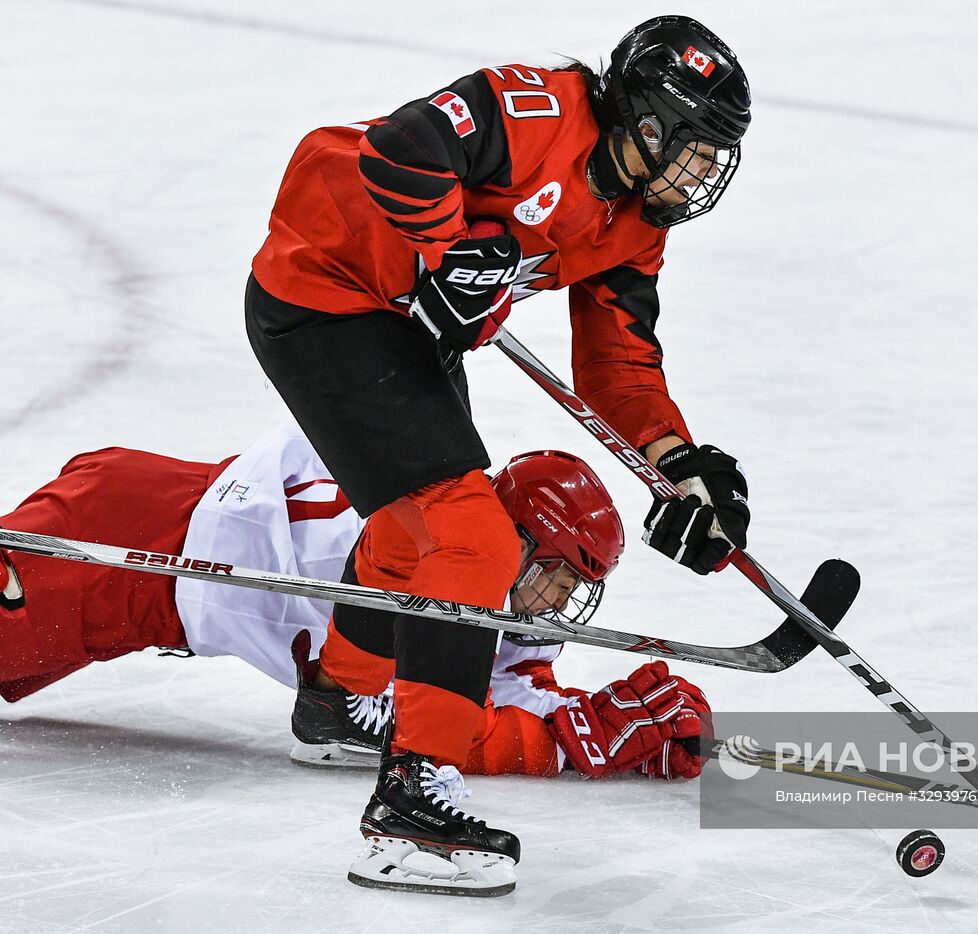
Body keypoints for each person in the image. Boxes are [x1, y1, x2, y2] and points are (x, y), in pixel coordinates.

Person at [241, 15, 751, 893]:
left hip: (406, 326)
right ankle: (411, 805)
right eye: (697, 150)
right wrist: (448, 253)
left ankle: (336, 704)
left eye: (715, 161)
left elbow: (619, 362)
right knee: (471, 539)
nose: (703, 175)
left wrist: (680, 464)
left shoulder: (636, 225)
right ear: (647, 123)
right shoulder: (539, 112)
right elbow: (401, 148)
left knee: (412, 535)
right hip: (325, 290)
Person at [0, 423, 711, 895]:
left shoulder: (483, 565)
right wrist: (562, 746)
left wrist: (602, 730)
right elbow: (441, 716)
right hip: (120, 546)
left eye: (575, 585)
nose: (558, 599)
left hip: (147, 572)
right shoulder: (422, 557)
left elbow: (505, 689)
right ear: (516, 541)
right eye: (556, 573)